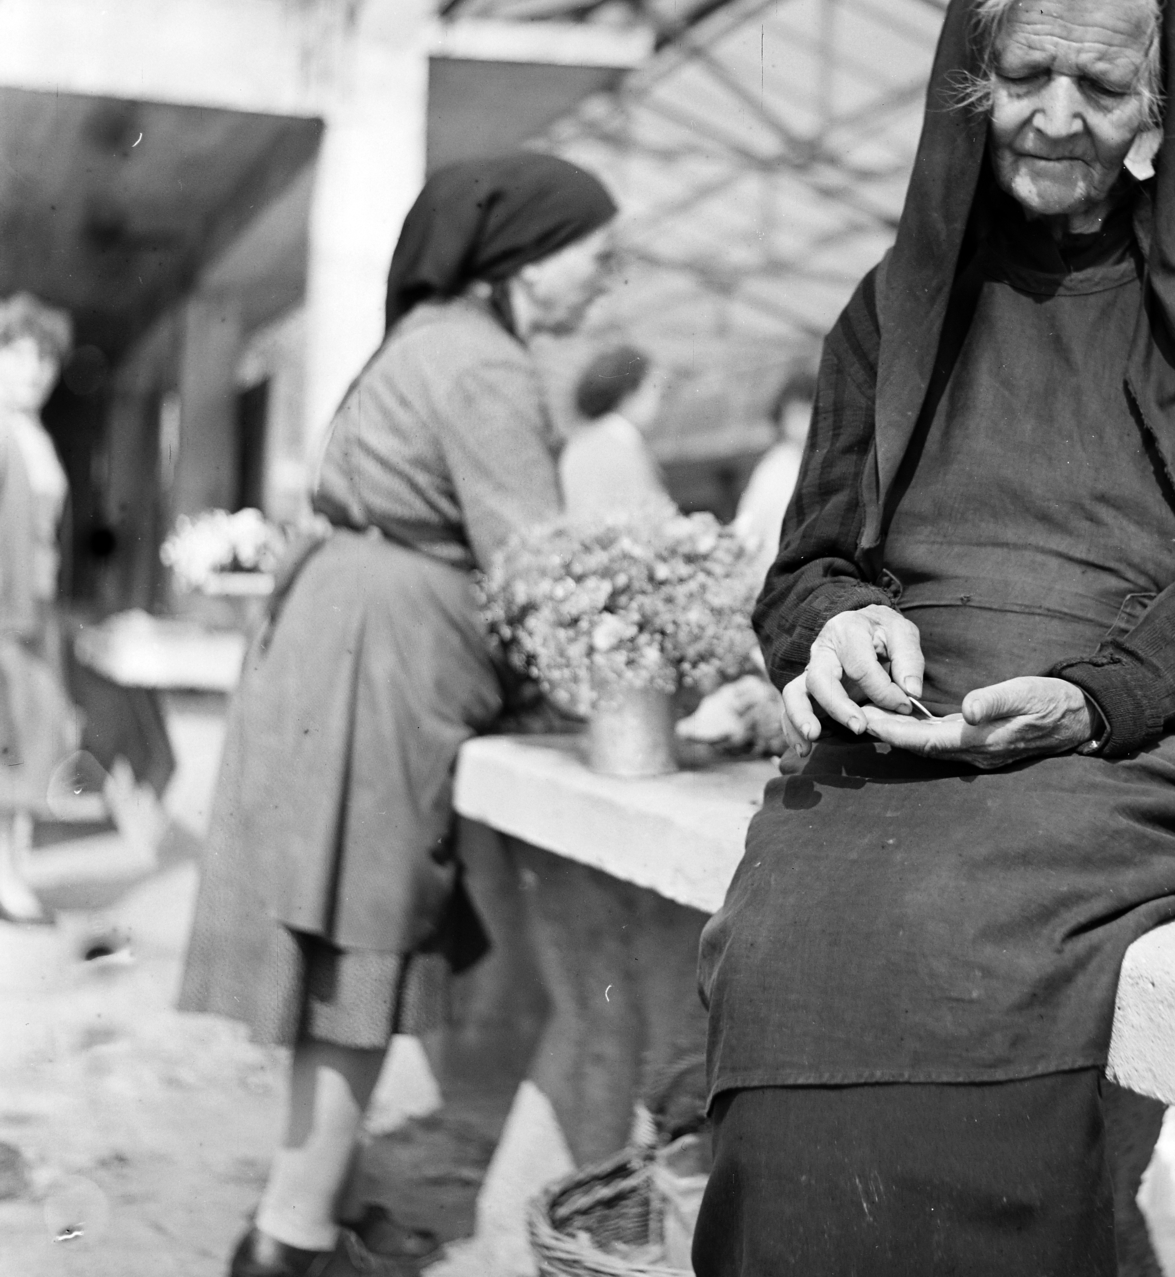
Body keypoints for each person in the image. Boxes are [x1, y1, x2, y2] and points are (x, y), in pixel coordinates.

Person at [694, 0, 1175, 1276]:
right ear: (972, 85)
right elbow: (803, 565)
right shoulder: (895, 301)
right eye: (1027, 73)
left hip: (1144, 741)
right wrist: (839, 626)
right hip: (913, 745)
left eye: (1101, 82)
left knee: (985, 958)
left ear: (1164, 104)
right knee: (784, 945)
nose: (1059, 115)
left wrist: (1091, 701)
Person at [178, 154, 618, 1277]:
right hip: (385, 655)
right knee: (359, 945)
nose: (602, 284)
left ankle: (304, 1207)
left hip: (347, 635)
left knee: (341, 944)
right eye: (593, 257)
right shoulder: (482, 366)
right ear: (524, 256)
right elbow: (534, 566)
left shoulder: (427, 339)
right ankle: (291, 1238)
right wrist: (622, 682)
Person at [0, 294, 79, 924]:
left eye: (45, 358)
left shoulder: (33, 433)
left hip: (36, 608)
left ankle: (11, 868)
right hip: (5, 612)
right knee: (10, 739)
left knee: (31, 738)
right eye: (18, 353)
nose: (33, 370)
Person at [558, 342, 675, 522]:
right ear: (630, 392)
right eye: (654, 389)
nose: (659, 402)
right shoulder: (618, 444)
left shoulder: (579, 444)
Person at [731, 368, 815, 577]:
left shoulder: (828, 461)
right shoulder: (773, 466)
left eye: (808, 413)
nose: (802, 424)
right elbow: (748, 526)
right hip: (773, 573)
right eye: (796, 414)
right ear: (782, 416)